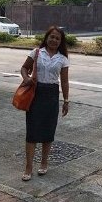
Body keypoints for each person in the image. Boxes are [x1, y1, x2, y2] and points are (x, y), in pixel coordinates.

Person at [20, 25, 69, 181]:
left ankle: (44, 163)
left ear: (60, 42)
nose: (54, 40)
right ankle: (28, 167)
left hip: (52, 96)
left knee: (48, 133)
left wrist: (66, 100)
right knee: (32, 132)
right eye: (52, 37)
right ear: (46, 38)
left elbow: (64, 81)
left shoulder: (62, 59)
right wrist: (27, 79)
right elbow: (24, 68)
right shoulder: (36, 53)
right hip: (36, 93)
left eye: (57, 38)